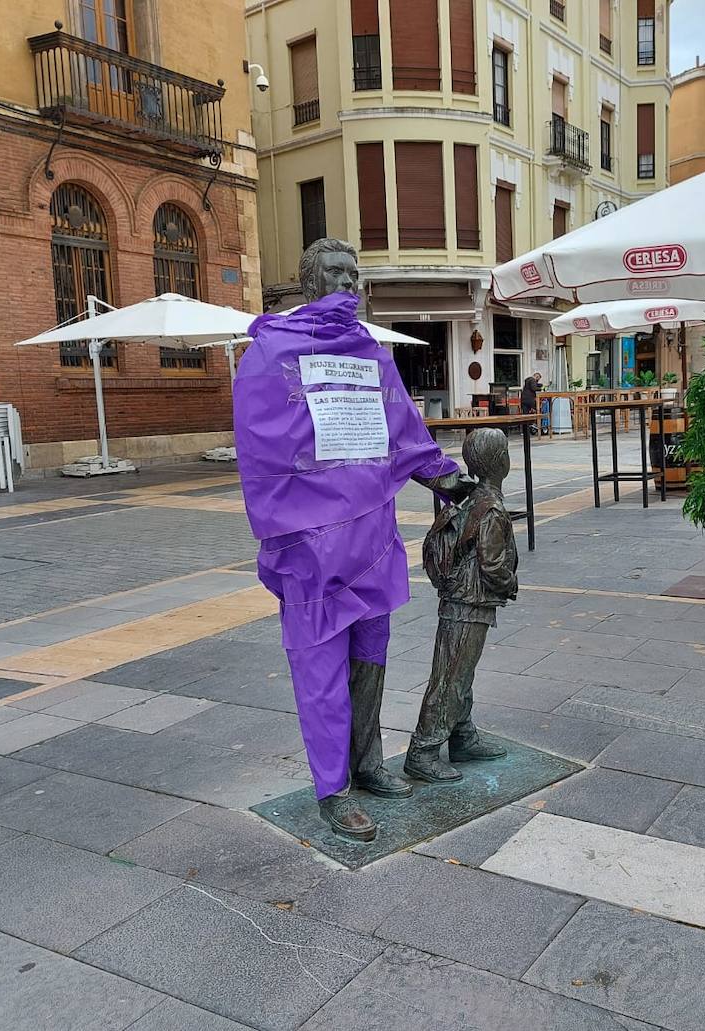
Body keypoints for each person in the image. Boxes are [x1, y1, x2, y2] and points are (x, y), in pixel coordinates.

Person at [233, 237, 472, 843]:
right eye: (336, 273)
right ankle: (332, 789)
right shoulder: (271, 352)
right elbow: (260, 452)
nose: (348, 283)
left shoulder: (371, 352)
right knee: (320, 672)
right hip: (311, 547)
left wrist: (449, 481)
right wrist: (295, 528)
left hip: (372, 540)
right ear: (308, 281)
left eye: (355, 275)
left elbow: (403, 432)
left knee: (371, 658)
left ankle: (367, 764)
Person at [405, 428, 518, 782]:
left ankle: (462, 735)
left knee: (459, 673)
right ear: (501, 462)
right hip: (468, 601)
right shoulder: (492, 508)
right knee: (451, 676)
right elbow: (492, 563)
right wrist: (510, 583)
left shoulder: (471, 498)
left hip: (461, 598)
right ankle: (423, 751)